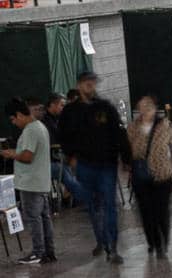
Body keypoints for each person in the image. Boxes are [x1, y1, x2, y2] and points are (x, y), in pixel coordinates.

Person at [59, 70, 130, 264]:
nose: (91, 86)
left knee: (110, 206)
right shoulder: (70, 111)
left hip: (106, 164)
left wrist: (126, 158)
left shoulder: (105, 108)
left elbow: (118, 133)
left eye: (93, 83)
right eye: (87, 83)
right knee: (93, 205)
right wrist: (71, 157)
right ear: (79, 85)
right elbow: (63, 136)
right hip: (84, 164)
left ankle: (112, 248)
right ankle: (102, 240)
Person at [124, 96, 172, 260]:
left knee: (161, 210)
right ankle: (153, 242)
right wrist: (127, 163)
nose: (145, 110)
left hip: (163, 174)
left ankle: (163, 241)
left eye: (149, 107)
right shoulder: (132, 127)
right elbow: (127, 149)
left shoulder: (164, 125)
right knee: (146, 211)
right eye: (142, 107)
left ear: (155, 109)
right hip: (141, 175)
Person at [3, 98, 56, 264]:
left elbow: (27, 156)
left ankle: (38, 252)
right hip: (40, 181)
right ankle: (48, 251)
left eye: (13, 119)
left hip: (31, 182)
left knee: (33, 218)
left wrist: (11, 154)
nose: (13, 123)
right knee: (43, 217)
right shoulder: (39, 127)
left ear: (19, 114)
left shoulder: (31, 130)